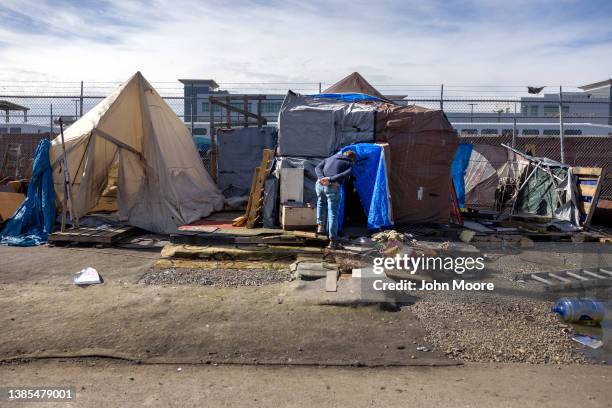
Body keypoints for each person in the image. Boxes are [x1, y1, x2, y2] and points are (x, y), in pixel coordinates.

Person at [314, 150, 356, 249]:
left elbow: (317, 167)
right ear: (352, 159)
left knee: (321, 202)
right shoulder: (349, 163)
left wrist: (321, 178)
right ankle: (333, 240)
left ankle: (321, 226)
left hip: (319, 184)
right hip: (332, 186)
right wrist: (330, 180)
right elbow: (344, 174)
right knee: (333, 213)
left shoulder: (330, 158)